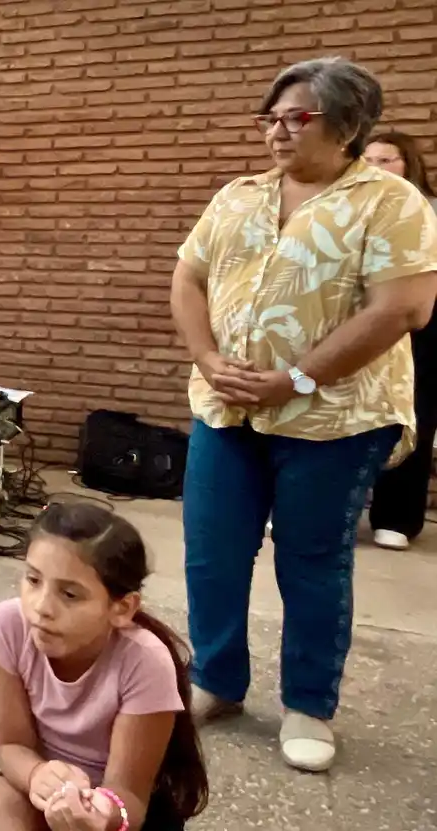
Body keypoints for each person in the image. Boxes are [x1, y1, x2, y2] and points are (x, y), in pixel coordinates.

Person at [169, 58, 437, 772]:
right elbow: (188, 276)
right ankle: (217, 680)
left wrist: (296, 377)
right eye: (272, 118)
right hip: (226, 411)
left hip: (335, 420)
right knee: (212, 550)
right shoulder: (238, 195)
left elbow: (404, 306)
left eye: (298, 118)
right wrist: (204, 356)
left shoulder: (391, 201)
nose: (279, 132)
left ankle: (309, 702)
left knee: (312, 559)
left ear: (348, 126)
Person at [0, 503, 209, 831]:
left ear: (122, 608)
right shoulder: (5, 628)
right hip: (38, 787)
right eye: (33, 579)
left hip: (115, 809)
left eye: (70, 594)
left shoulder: (147, 662)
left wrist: (101, 813)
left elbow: (129, 794)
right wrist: (36, 775)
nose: (41, 607)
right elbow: (12, 746)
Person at [362, 130, 437, 550]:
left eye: (387, 160)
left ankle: (396, 517)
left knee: (410, 414)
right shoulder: (348, 209)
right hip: (359, 320)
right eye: (369, 160)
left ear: (409, 164)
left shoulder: (430, 212)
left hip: (422, 325)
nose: (377, 168)